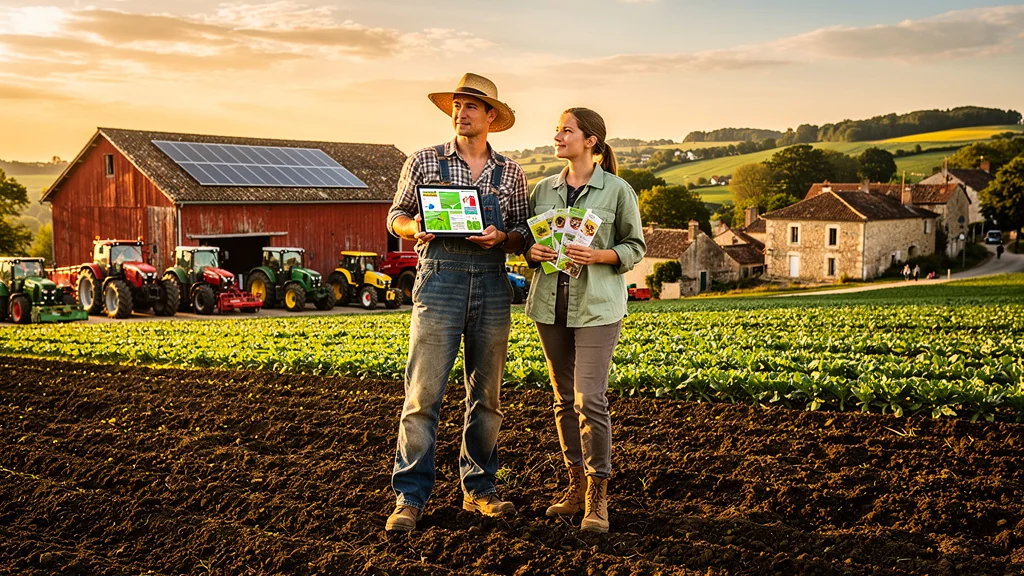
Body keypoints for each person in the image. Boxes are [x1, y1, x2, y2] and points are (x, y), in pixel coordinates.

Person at [384, 73, 530, 532]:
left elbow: (524, 233)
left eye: (470, 106)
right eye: (456, 105)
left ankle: (479, 489)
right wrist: (413, 228)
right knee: (422, 396)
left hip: (492, 283)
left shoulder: (511, 172)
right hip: (439, 281)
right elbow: (396, 216)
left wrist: (502, 237)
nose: (460, 113)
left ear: (490, 116)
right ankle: (410, 497)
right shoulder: (424, 160)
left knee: (487, 398)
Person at [524, 108, 646, 533]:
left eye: (566, 130)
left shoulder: (617, 190)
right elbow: (528, 244)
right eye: (557, 129)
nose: (558, 136)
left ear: (591, 141)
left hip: (597, 308)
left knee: (589, 399)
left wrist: (600, 255)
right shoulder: (543, 189)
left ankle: (598, 495)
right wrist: (531, 253)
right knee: (562, 400)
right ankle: (574, 488)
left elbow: (635, 246)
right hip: (549, 307)